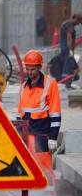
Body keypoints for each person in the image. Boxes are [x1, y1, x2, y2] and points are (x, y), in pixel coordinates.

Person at [18, 49, 61, 184]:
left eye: (33, 69)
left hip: (42, 136)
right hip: (26, 135)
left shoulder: (50, 84)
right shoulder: (23, 87)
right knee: (27, 169)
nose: (29, 73)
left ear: (39, 67)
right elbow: (20, 115)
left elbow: (55, 113)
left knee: (45, 169)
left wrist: (53, 138)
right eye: (27, 69)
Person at [59, 14, 82, 88]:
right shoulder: (70, 25)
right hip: (67, 49)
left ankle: (70, 80)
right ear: (75, 18)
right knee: (68, 67)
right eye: (78, 22)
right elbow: (69, 38)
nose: (78, 24)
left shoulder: (65, 23)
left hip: (64, 48)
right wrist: (70, 51)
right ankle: (66, 84)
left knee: (76, 68)